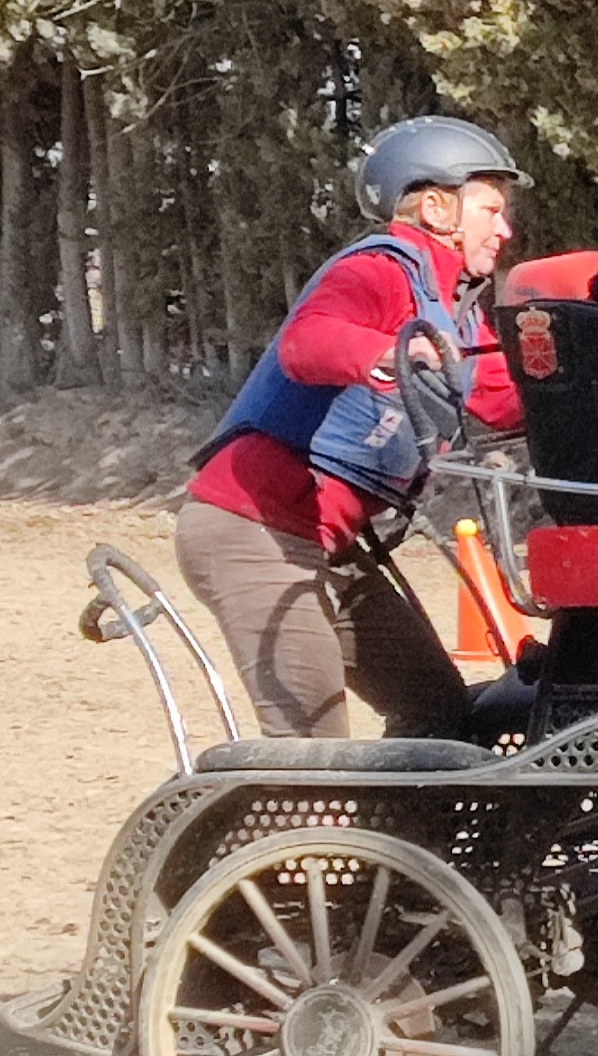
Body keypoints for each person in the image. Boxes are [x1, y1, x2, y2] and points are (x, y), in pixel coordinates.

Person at [177, 117, 526, 740]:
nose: (506, 230)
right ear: (437, 205)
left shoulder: (456, 316)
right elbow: (308, 344)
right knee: (313, 744)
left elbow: (506, 400)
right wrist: (389, 355)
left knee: (438, 713)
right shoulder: (378, 270)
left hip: (327, 543)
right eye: (492, 210)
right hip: (252, 531)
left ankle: (403, 838)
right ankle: (299, 837)